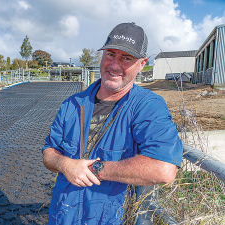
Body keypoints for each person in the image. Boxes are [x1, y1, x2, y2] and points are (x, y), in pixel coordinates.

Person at [42, 22, 183, 224]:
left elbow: (163, 168)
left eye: (126, 58)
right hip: (62, 215)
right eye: (110, 54)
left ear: (142, 63)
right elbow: (49, 152)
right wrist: (65, 164)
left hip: (110, 218)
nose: (115, 65)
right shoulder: (72, 105)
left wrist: (93, 170)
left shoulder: (147, 107)